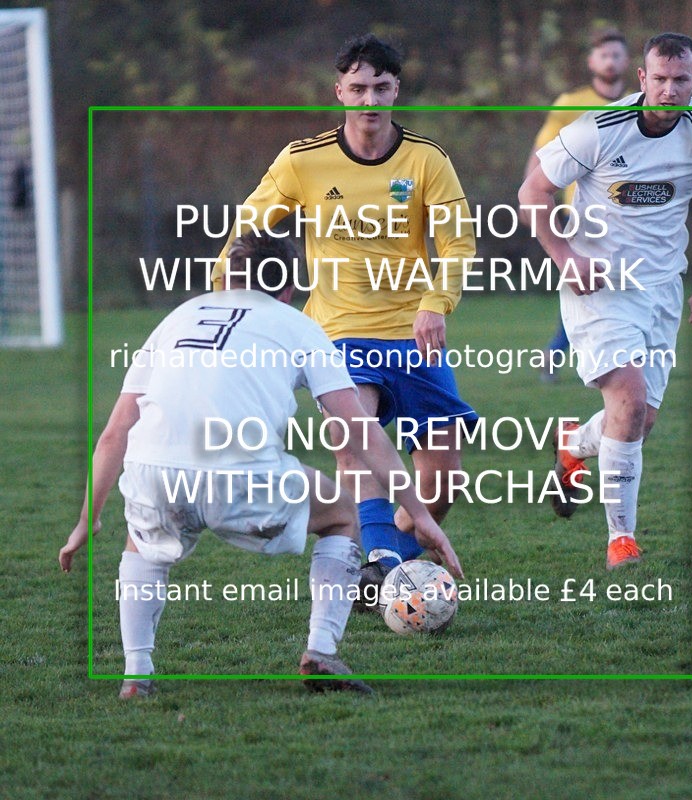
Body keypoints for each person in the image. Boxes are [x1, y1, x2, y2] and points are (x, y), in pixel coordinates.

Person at [59, 231, 464, 697]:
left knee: (142, 539)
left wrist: (87, 519)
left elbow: (115, 432)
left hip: (154, 469)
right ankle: (320, 651)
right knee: (342, 515)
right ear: (288, 289)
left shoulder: (178, 317)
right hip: (238, 470)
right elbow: (361, 430)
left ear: (228, 277)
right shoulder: (298, 325)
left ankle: (136, 674)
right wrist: (418, 512)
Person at [210, 34, 477, 606]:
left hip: (412, 330)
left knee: (443, 480)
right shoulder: (302, 161)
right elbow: (246, 234)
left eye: (380, 87)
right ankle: (378, 558)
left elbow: (459, 245)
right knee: (355, 437)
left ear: (396, 90)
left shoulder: (428, 160)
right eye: (357, 88)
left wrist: (436, 302)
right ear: (340, 92)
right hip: (335, 329)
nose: (369, 99)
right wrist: (224, 300)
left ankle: (390, 561)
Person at [518, 33, 692, 569]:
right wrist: (564, 257)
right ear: (642, 80)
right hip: (597, 286)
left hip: (664, 291)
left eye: (681, 80)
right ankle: (621, 540)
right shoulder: (596, 129)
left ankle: (575, 444)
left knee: (638, 420)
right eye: (660, 79)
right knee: (629, 399)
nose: (670, 89)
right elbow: (533, 192)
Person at [523, 29, 631, 382]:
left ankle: (610, 356)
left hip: (629, 215)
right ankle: (560, 355)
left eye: (617, 55)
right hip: (583, 216)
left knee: (615, 288)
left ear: (627, 61)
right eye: (604, 55)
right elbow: (542, 155)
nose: (611, 61)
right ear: (592, 62)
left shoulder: (637, 105)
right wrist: (531, 199)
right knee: (585, 284)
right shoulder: (570, 102)